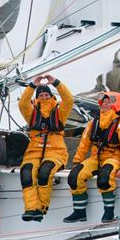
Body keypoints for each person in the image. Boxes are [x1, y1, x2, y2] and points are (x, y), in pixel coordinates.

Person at [64, 91, 120, 223]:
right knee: (75, 176)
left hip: (114, 157)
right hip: (96, 157)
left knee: (105, 177)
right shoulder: (94, 121)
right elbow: (84, 143)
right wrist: (77, 161)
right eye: (104, 101)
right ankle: (79, 212)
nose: (106, 104)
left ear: (116, 104)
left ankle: (109, 212)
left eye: (109, 102)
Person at [18, 74, 74, 221]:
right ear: (37, 97)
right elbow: (22, 104)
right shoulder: (31, 111)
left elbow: (69, 99)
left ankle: (41, 208)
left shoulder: (60, 111)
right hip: (34, 149)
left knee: (45, 171)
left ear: (51, 96)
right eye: (40, 94)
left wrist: (55, 82)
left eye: (46, 94)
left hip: (56, 151)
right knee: (26, 172)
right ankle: (31, 208)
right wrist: (32, 86)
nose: (43, 96)